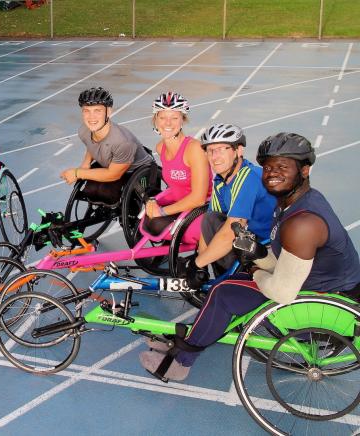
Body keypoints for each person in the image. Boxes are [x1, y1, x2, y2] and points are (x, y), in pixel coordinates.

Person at [139, 132, 360, 381]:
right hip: (318, 286)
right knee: (227, 283)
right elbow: (286, 262)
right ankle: (187, 341)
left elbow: (282, 292)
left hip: (324, 306)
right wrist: (260, 254)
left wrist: (256, 270)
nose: (272, 173)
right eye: (267, 167)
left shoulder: (303, 224)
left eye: (282, 167)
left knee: (223, 294)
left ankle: (181, 362)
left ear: (304, 171)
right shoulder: (295, 201)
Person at [183, 123, 276, 285]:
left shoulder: (248, 178)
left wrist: (196, 264)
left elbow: (230, 232)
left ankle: (233, 284)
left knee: (226, 232)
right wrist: (200, 265)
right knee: (211, 218)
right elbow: (209, 224)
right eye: (210, 150)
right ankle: (225, 282)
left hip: (269, 250)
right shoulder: (221, 180)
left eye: (221, 149)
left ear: (238, 151)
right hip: (248, 242)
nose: (214, 156)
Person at [60, 86, 154, 205]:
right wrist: (86, 163)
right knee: (91, 192)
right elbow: (91, 144)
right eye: (86, 111)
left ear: (108, 112)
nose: (91, 117)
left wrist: (77, 173)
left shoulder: (123, 142)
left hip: (135, 171)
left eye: (97, 111)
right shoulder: (84, 130)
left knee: (108, 195)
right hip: (112, 163)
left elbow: (113, 174)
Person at [142, 92, 211, 236]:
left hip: (204, 207)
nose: (168, 123)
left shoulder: (194, 149)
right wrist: (152, 202)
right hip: (180, 201)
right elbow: (175, 185)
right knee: (146, 220)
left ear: (182, 120)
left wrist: (161, 211)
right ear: (156, 119)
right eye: (162, 117)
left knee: (158, 223)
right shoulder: (161, 148)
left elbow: (199, 198)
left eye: (174, 118)